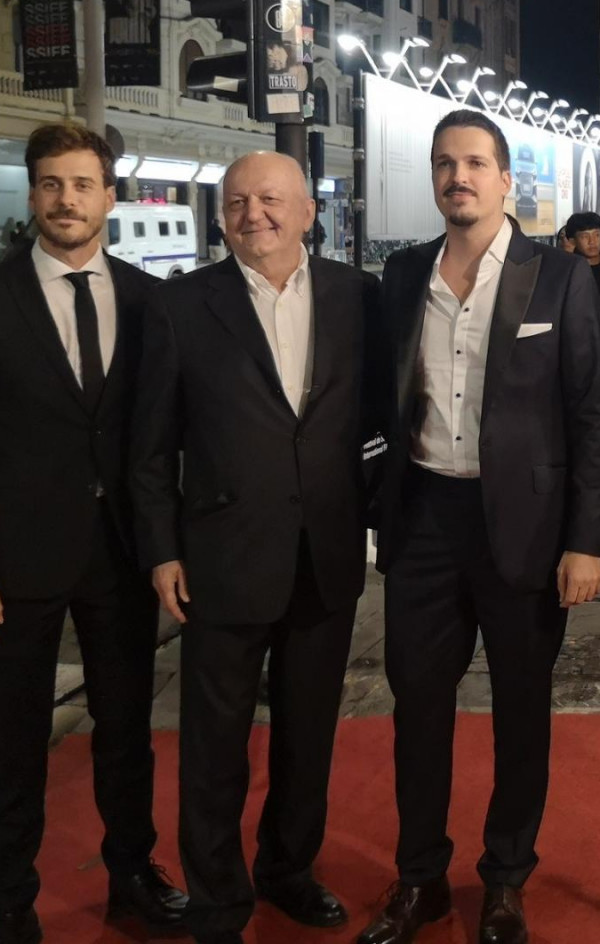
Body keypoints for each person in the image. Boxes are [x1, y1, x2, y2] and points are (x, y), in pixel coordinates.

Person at [358, 109, 600, 944]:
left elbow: (590, 417)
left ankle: (505, 879)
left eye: (473, 163)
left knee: (521, 712)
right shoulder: (403, 275)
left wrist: (586, 540)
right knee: (417, 709)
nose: (457, 177)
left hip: (527, 530)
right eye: (444, 163)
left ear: (505, 180)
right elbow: (381, 403)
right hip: (425, 520)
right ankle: (420, 878)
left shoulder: (560, 278)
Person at [132, 151, 384, 944]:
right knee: (214, 748)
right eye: (237, 202)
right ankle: (217, 903)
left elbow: (381, 417)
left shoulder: (359, 298)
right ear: (221, 217)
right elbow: (149, 446)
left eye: (271, 199)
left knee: (308, 739)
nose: (254, 214)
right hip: (222, 558)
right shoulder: (180, 305)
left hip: (325, 557)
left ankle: (288, 869)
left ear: (309, 212)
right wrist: (161, 549)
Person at [0, 124, 187, 944]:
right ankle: (10, 894)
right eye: (50, 183)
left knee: (125, 731)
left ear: (110, 196)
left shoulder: (151, 301)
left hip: (120, 552)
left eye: (81, 184)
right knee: (12, 737)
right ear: (33, 193)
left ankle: (132, 873)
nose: (65, 199)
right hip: (18, 557)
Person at [565, 209, 600, 296]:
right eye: (585, 237)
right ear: (572, 241)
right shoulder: (570, 271)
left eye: (597, 235)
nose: (592, 241)